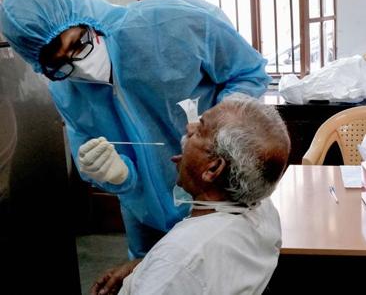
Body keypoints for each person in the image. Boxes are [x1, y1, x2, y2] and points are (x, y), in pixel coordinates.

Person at [0, 0, 271, 259]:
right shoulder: (66, 90)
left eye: (78, 44)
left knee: (224, 269)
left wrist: (220, 123)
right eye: (60, 64)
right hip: (148, 212)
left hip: (220, 195)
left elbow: (248, 73)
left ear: (86, 16)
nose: (80, 65)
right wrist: (118, 175)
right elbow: (89, 150)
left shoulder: (175, 23)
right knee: (152, 277)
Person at [91, 94, 290, 295]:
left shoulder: (177, 262)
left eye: (199, 130)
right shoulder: (264, 210)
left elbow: (181, 267)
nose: (189, 128)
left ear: (212, 169)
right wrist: (142, 267)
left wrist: (159, 270)